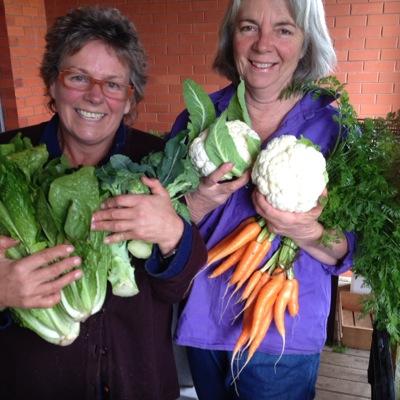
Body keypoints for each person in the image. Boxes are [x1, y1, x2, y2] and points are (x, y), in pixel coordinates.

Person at [0, 6, 206, 400]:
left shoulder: (161, 161)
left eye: (114, 84)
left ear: (130, 99)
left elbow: (185, 285)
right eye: (78, 77)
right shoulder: (8, 158)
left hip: (139, 383)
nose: (96, 95)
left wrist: (173, 234)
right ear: (53, 86)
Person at [170, 0, 356, 399]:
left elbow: (350, 247)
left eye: (284, 30)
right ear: (231, 38)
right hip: (203, 322)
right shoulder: (198, 121)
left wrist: (307, 232)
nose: (263, 45)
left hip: (282, 337)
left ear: (307, 44)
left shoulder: (334, 130)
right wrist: (199, 202)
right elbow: (163, 223)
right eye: (248, 27)